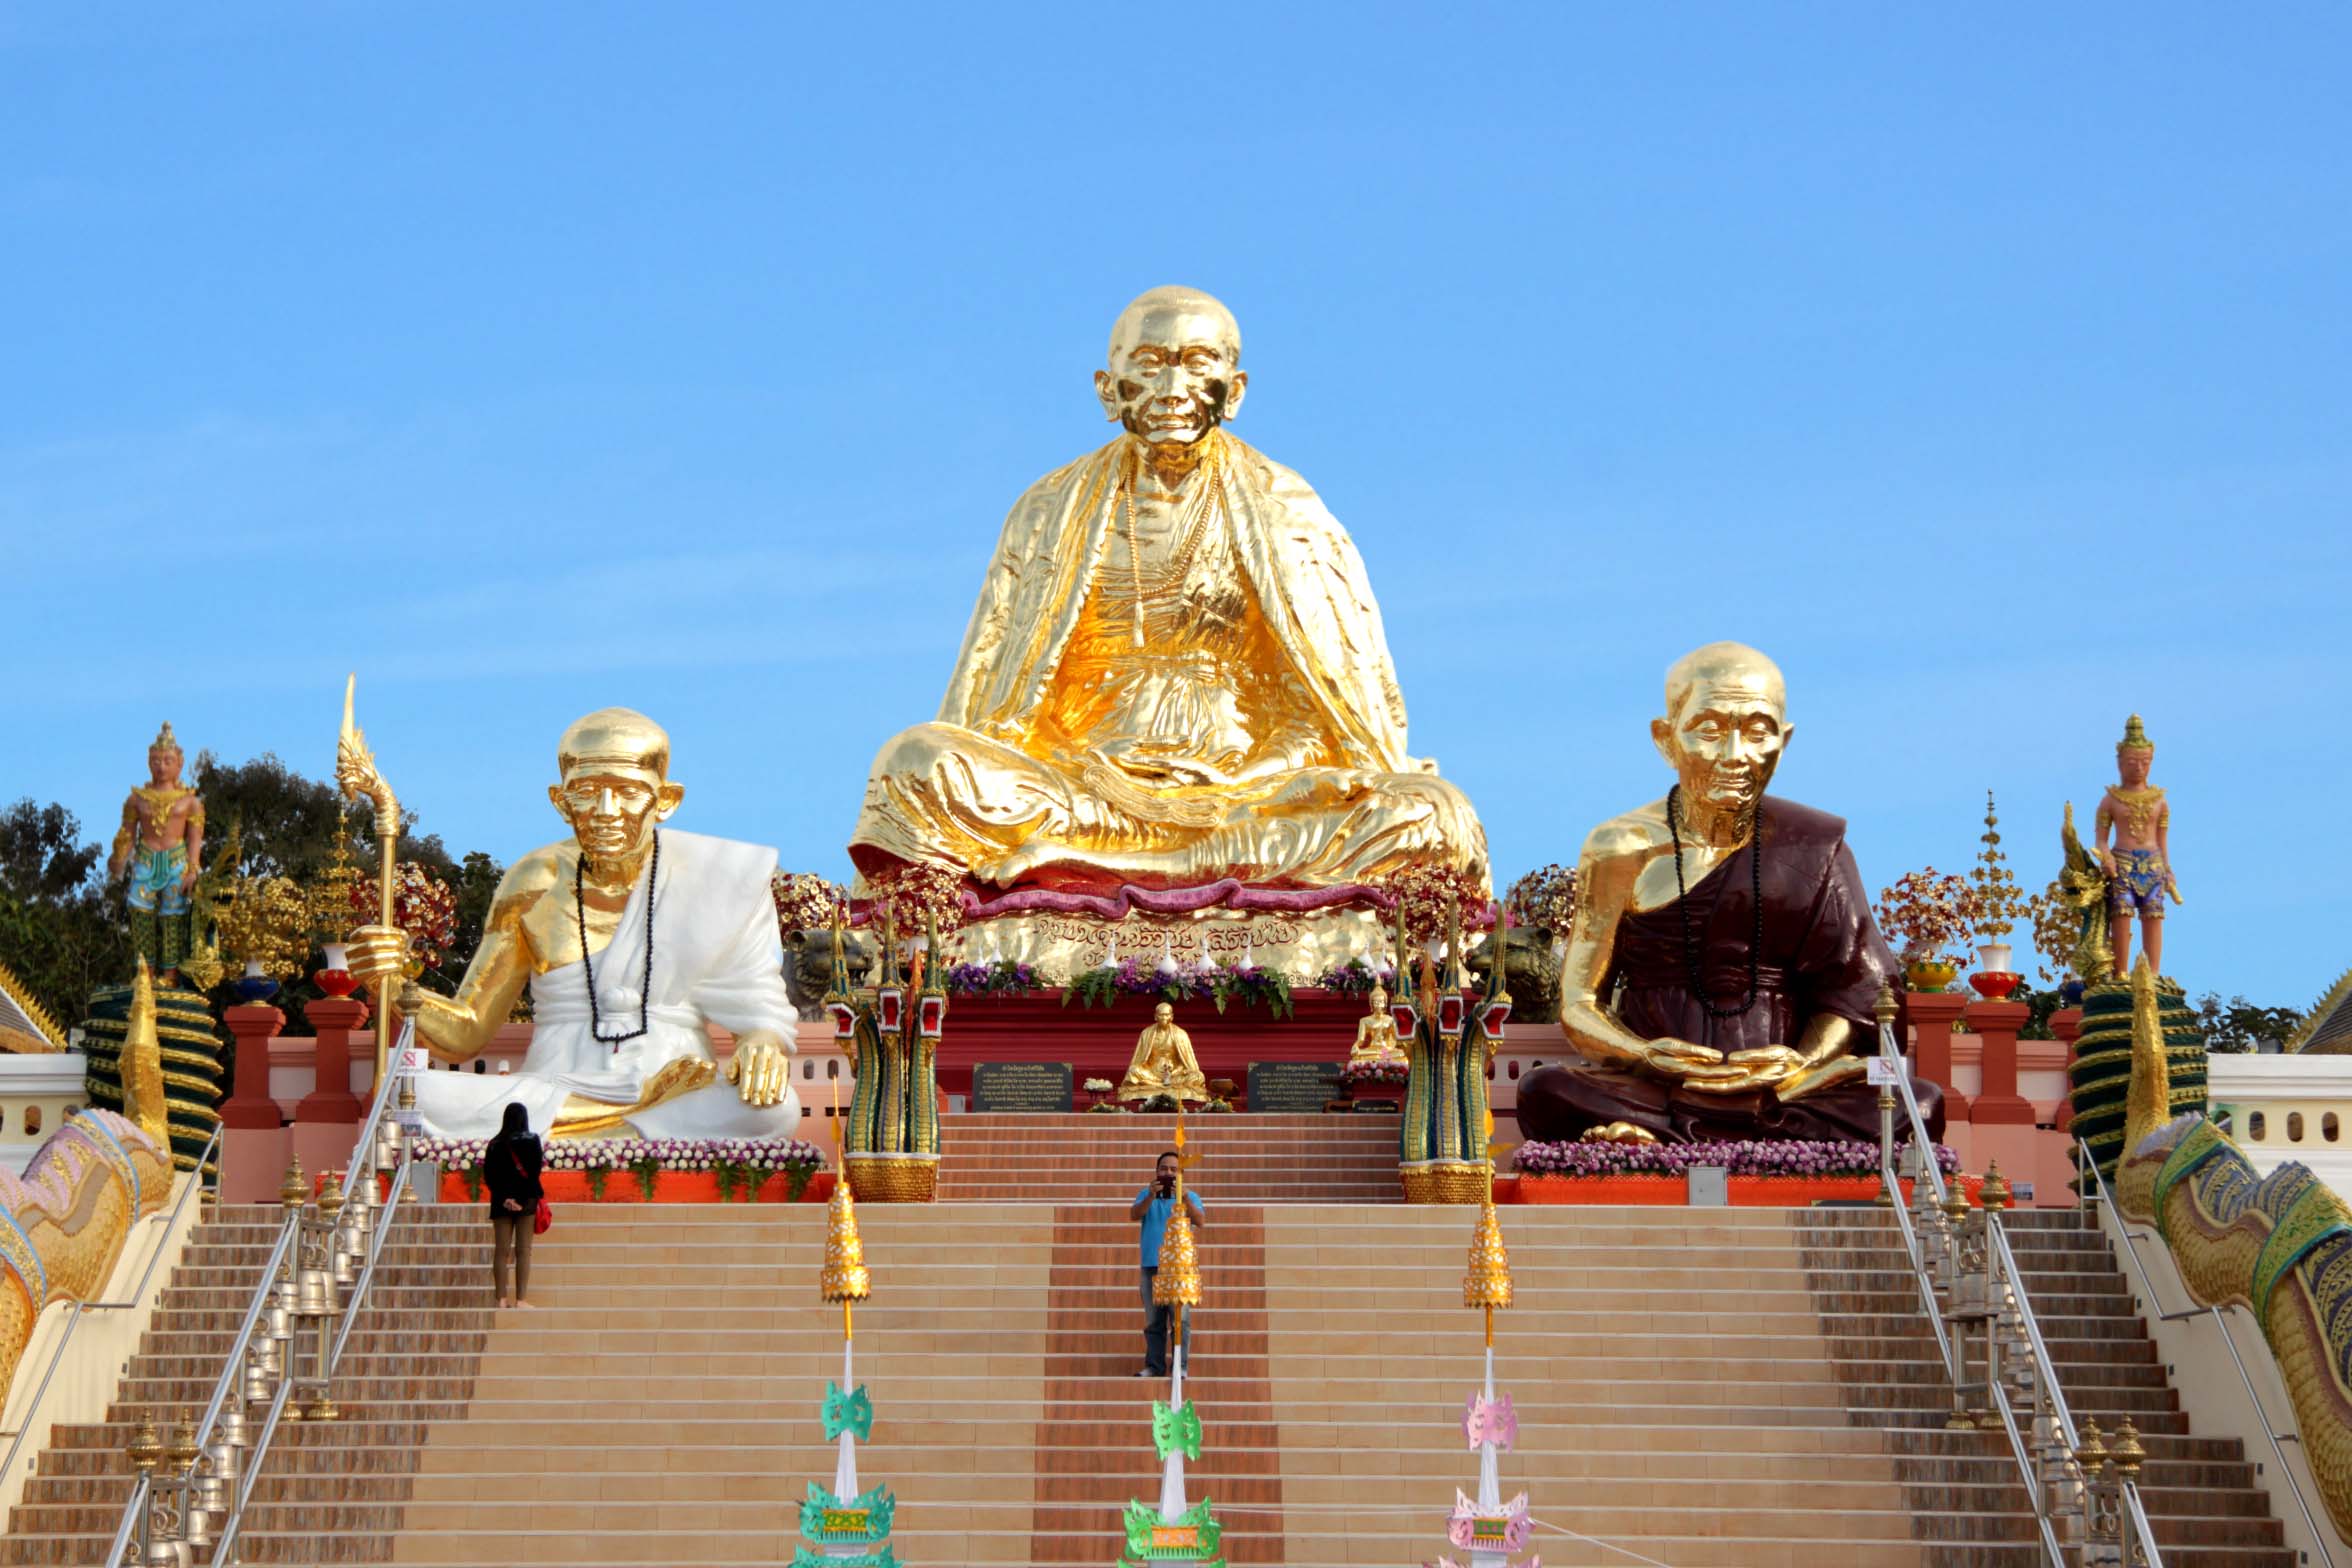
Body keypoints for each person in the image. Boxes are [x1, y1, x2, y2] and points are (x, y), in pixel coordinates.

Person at [849, 286, 1487, 905]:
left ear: (1234, 391)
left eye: (1196, 364)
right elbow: (991, 696)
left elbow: (1321, 707)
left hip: (1243, 796)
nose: (1172, 390)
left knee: (1433, 815)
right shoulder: (1049, 509)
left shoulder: (1287, 510)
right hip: (1080, 786)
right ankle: (1137, 855)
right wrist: (1102, 780)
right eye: (1149, 366)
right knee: (915, 761)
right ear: (1108, 388)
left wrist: (1257, 784)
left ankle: (1144, 864)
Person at [1517, 641, 1942, 1145]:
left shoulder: (1813, 844)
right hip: (1659, 1079)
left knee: (1919, 1101)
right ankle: (1721, 1134)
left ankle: (1662, 1140)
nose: (1735, 755)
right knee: (1545, 1090)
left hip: (1782, 1082)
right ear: (1665, 738)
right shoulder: (1620, 848)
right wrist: (1646, 1056)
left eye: (1757, 732)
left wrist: (1802, 1062)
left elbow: (1860, 991)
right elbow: (1579, 1002)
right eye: (1710, 730)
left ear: (1784, 741)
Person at [343, 706, 801, 1140]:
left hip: (676, 1083)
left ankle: (561, 1137)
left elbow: (759, 1013)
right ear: (561, 801)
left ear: (666, 800)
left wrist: (761, 1041)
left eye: (627, 790)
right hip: (559, 1083)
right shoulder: (534, 880)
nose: (605, 809)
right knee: (416, 1093)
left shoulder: (717, 877)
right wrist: (389, 981)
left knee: (775, 1108)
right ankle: (634, 1132)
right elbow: (466, 1033)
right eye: (585, 791)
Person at [1129, 1150, 1205, 1378]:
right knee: (1154, 1321)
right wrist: (1150, 1196)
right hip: (1151, 1265)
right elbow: (1134, 1214)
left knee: (1181, 1320)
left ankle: (1180, 1367)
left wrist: (1184, 1198)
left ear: (1180, 1173)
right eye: (1164, 1169)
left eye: (1174, 1169)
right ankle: (1154, 1366)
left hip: (1179, 1269)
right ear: (1156, 1172)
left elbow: (1200, 1221)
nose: (1168, 1173)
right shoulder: (1146, 1193)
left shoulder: (1190, 1196)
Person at [484, 1101, 543, 1309]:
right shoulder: (533, 1140)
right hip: (526, 1203)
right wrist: (519, 1199)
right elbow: (534, 1173)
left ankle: (500, 1298)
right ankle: (520, 1299)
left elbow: (489, 1176)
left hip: (501, 1204)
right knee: (523, 1251)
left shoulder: (494, 1143)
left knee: (501, 1251)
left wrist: (506, 1198)